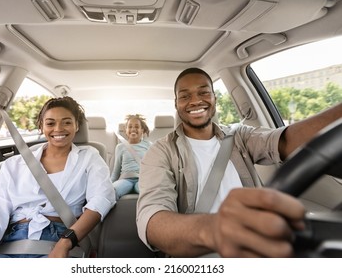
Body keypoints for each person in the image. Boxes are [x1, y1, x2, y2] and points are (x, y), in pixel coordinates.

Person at [136, 67, 342, 258]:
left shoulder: (239, 136)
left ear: (214, 98)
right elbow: (152, 219)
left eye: (203, 92)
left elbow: (285, 140)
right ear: (176, 104)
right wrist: (215, 229)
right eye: (184, 96)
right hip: (200, 255)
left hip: (258, 247)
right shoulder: (160, 151)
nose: (195, 101)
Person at [0, 96, 116, 258]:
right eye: (50, 123)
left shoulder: (90, 157)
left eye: (67, 122)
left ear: (77, 125)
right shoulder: (15, 164)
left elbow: (101, 199)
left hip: (60, 237)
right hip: (10, 242)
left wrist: (66, 242)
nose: (58, 129)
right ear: (41, 126)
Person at [111, 114, 151, 199]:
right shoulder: (120, 147)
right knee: (111, 192)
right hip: (125, 180)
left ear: (142, 130)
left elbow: (154, 167)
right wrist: (109, 185)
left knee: (149, 193)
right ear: (126, 130)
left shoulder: (148, 145)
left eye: (137, 127)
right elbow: (116, 171)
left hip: (142, 179)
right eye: (130, 127)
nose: (133, 129)